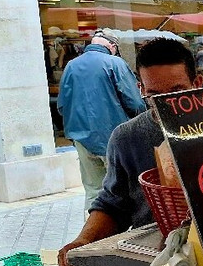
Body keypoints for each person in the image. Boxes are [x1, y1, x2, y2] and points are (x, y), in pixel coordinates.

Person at [57, 38, 202, 266]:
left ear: (197, 84)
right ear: (141, 89)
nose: (164, 104)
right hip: (154, 263)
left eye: (177, 92)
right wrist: (83, 240)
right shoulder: (127, 137)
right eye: (154, 94)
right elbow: (113, 204)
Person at [56, 31, 145, 210]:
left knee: (93, 191)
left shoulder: (71, 65)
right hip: (114, 137)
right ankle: (127, 234)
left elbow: (62, 106)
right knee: (127, 190)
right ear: (112, 46)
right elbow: (135, 102)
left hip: (82, 139)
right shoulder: (115, 63)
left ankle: (94, 235)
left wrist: (74, 134)